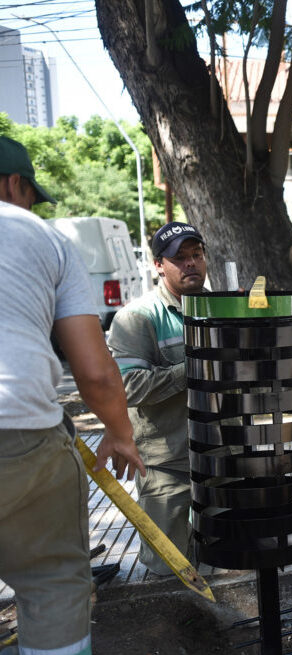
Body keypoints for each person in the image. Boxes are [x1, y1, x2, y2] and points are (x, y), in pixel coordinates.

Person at [0, 136, 144, 655]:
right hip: (18, 432)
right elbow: (96, 372)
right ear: (15, 184)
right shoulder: (42, 237)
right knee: (53, 581)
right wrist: (121, 433)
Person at [107, 222, 207, 575]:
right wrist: (197, 367)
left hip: (222, 460)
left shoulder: (222, 309)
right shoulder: (136, 318)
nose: (191, 263)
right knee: (168, 570)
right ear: (159, 265)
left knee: (228, 559)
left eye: (196, 254)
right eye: (179, 257)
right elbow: (128, 387)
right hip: (167, 467)